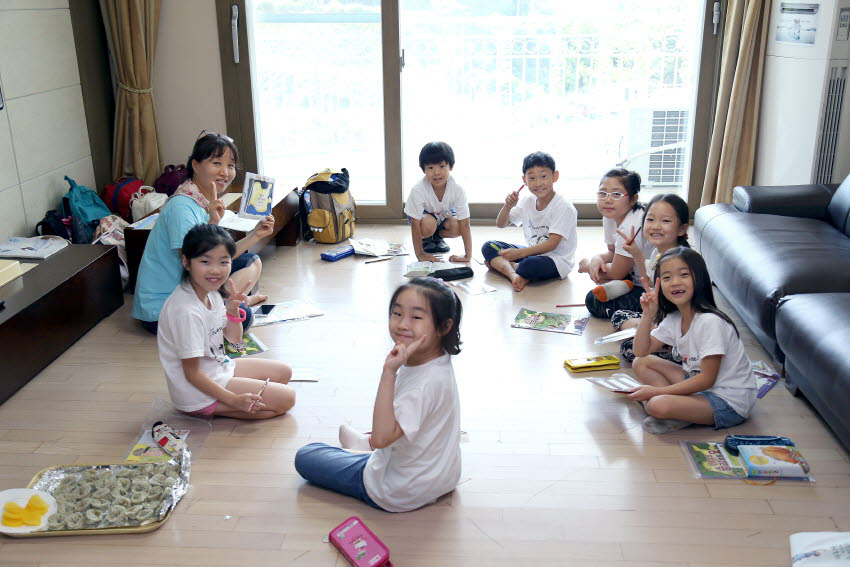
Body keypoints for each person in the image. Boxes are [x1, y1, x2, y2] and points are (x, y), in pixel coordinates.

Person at [294, 278, 462, 512]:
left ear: (444, 327)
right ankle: (364, 445)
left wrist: (389, 371)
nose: (402, 324)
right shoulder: (438, 357)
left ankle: (366, 447)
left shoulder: (422, 385)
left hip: (397, 488)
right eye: (397, 313)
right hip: (441, 475)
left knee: (307, 455)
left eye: (416, 317)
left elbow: (384, 439)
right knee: (380, 439)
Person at [133, 131, 275, 334]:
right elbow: (194, 266)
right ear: (196, 165)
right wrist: (213, 223)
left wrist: (256, 235)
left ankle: (226, 303)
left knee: (251, 261)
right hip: (165, 311)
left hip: (192, 290)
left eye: (230, 165)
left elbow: (216, 257)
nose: (225, 172)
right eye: (216, 163)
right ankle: (228, 304)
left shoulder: (200, 200)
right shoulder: (182, 207)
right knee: (244, 318)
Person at [157, 224, 295, 420]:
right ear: (186, 262)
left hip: (217, 367)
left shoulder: (211, 293)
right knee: (287, 399)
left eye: (223, 262)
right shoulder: (185, 310)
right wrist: (234, 400)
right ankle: (205, 408)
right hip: (195, 390)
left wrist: (232, 311)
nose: (215, 270)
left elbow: (234, 338)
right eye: (205, 261)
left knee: (284, 373)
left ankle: (226, 402)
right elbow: (192, 374)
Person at [628, 247, 757, 434]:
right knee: (641, 362)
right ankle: (679, 410)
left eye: (684, 275)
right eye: (666, 277)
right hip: (699, 386)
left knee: (657, 405)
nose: (675, 282)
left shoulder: (710, 321)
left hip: (727, 401)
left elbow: (707, 380)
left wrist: (655, 392)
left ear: (699, 279)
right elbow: (640, 351)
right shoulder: (675, 318)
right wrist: (648, 315)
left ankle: (672, 409)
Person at [480, 151, 577, 291]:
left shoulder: (563, 207)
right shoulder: (527, 201)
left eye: (543, 176)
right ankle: (514, 275)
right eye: (531, 178)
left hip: (556, 260)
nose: (538, 183)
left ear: (555, 176)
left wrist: (518, 254)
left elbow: (552, 244)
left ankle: (504, 266)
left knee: (529, 265)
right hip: (531, 253)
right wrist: (508, 206)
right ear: (524, 180)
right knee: (489, 246)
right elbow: (500, 224)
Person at [610, 194, 690, 362]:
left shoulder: (680, 262)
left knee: (630, 349)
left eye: (665, 221)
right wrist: (636, 254)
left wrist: (654, 325)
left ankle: (671, 350)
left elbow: (682, 311)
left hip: (680, 328)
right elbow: (650, 280)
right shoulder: (658, 252)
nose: (656, 226)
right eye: (650, 219)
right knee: (619, 315)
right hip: (661, 317)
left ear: (682, 229)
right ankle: (649, 332)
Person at [578, 168, 653, 317]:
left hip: (651, 286)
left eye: (616, 194)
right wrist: (597, 258)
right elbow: (613, 252)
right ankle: (625, 284)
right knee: (603, 281)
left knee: (593, 301)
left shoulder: (631, 225)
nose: (608, 200)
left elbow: (617, 273)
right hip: (631, 274)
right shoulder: (611, 215)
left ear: (633, 199)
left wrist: (588, 266)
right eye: (602, 193)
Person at [404, 142, 473, 262]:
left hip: (443, 215)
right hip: (424, 218)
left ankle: (437, 236)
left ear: (451, 166)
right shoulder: (418, 190)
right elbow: (415, 224)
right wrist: (420, 255)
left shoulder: (457, 189)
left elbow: (465, 224)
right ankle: (427, 237)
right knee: (428, 225)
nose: (436, 172)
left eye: (441, 166)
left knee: (458, 226)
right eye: (430, 168)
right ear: (424, 169)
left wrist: (468, 255)